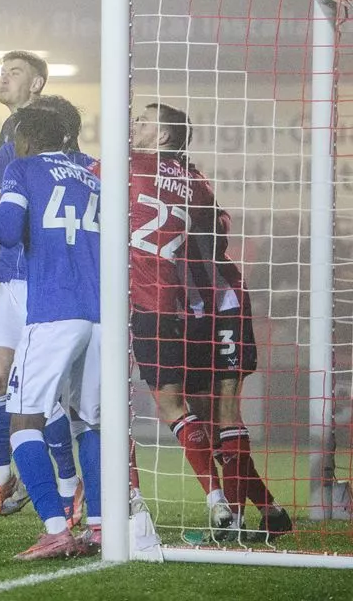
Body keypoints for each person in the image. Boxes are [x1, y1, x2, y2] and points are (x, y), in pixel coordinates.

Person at [0, 106, 102, 560]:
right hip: (101, 313)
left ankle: (56, 530)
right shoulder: (93, 175)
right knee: (90, 421)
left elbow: (7, 232)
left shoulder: (22, 169)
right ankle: (100, 528)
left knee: (23, 418)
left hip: (54, 308)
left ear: (28, 139)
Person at [128, 103, 233, 532]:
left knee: (107, 406)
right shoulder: (195, 181)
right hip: (174, 303)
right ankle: (223, 500)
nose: (134, 125)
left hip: (130, 300)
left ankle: (128, 499)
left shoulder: (129, 165)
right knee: (189, 406)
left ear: (164, 136)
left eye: (144, 121)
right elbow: (219, 229)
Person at [183, 166, 292, 539]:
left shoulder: (190, 187)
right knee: (205, 421)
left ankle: (234, 520)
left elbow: (218, 233)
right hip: (192, 311)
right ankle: (271, 512)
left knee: (227, 410)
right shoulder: (157, 184)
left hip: (225, 302)